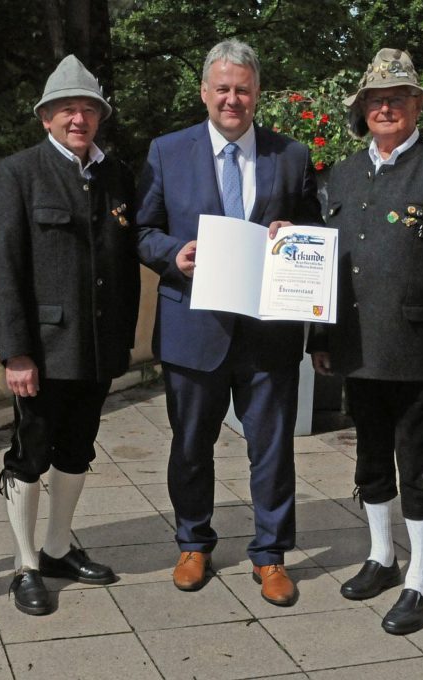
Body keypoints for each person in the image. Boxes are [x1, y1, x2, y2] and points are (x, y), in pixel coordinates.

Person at [302, 48, 423, 635]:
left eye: (397, 99)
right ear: (363, 111)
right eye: (376, 101)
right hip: (356, 345)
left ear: (416, 108)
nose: (386, 108)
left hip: (417, 350)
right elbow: (331, 263)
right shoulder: (345, 173)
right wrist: (321, 338)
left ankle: (420, 579)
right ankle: (382, 558)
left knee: (417, 465)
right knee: (370, 459)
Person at [135, 39, 321, 606]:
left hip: (268, 333)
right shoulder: (167, 152)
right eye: (223, 89)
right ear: (204, 92)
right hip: (195, 328)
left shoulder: (289, 155)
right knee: (191, 445)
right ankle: (193, 542)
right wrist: (175, 254)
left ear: (257, 93)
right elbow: (142, 231)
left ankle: (270, 554)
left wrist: (294, 234)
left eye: (242, 89)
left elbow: (315, 228)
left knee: (271, 448)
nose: (232, 99)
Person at [0, 55, 139, 615]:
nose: (79, 118)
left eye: (88, 109)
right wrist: (16, 351)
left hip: (98, 347)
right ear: (45, 117)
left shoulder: (115, 174)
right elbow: (2, 267)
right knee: (30, 455)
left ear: (99, 117)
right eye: (67, 110)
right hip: (43, 352)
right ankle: (26, 565)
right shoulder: (16, 174)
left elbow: (125, 257)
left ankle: (57, 547)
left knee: (77, 451)